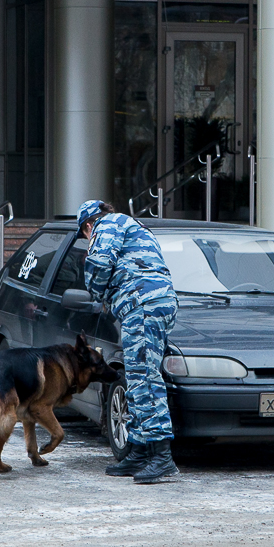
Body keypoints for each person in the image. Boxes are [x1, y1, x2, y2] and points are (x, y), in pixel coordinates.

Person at [78, 200, 179, 484]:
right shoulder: (134, 226)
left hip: (143, 306)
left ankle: (161, 457)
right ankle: (138, 449)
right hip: (150, 303)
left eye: (85, 235)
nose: (88, 239)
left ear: (88, 225)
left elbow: (98, 263)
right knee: (136, 377)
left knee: (145, 378)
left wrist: (96, 292)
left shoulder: (106, 224)